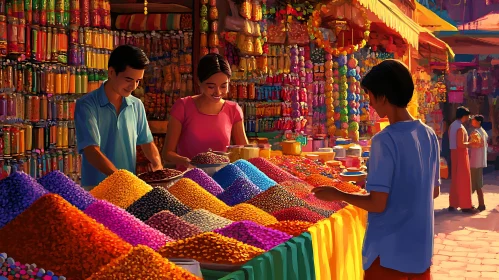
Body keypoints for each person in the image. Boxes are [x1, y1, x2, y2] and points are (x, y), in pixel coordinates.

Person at [313, 60, 439, 280]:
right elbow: (433, 192)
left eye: (370, 95)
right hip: (420, 252)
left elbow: (377, 204)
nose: (369, 103)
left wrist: (337, 194)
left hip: (388, 255)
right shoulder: (429, 134)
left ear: (383, 96)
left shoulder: (385, 140)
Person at [75, 45, 163, 190]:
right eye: (128, 79)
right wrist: (121, 179)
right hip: (96, 189)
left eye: (138, 81)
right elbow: (91, 151)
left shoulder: (136, 105)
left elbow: (147, 143)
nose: (133, 86)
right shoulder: (86, 105)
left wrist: (158, 166)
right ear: (111, 72)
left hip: (127, 190)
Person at [163, 53, 248, 169]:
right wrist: (186, 162)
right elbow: (167, 154)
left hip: (222, 181)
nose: (218, 92)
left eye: (223, 86)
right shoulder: (182, 106)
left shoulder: (233, 110)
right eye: (211, 87)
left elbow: (244, 152)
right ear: (199, 82)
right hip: (189, 180)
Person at [448, 106, 476, 213]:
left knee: (455, 179)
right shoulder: (459, 127)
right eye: (467, 116)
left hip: (454, 153)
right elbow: (461, 144)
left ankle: (453, 203)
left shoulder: (453, 125)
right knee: (464, 179)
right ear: (464, 116)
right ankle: (465, 205)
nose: (468, 118)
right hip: (460, 154)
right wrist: (471, 143)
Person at [469, 115, 488, 211]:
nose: (472, 121)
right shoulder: (483, 132)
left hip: (475, 161)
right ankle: (480, 204)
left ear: (478, 122)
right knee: (477, 183)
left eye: (473, 120)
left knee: (475, 184)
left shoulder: (476, 133)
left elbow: (473, 144)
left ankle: (479, 204)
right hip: (479, 161)